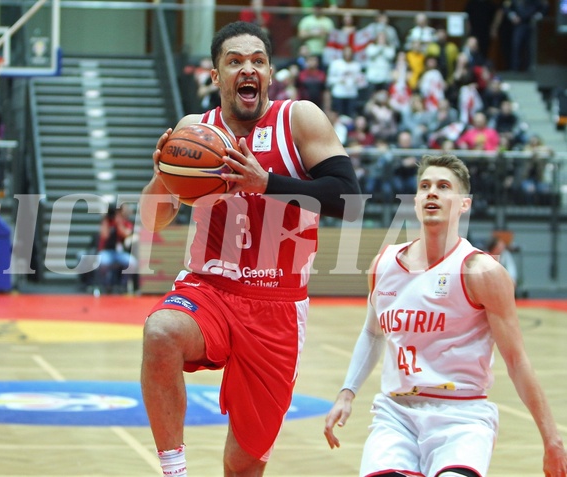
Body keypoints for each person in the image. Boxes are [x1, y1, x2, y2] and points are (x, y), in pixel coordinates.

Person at [139, 21, 362, 477]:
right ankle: (174, 470)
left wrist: (269, 184)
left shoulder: (299, 118)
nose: (248, 69)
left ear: (270, 73)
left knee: (243, 466)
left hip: (276, 305)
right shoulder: (193, 131)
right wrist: (163, 174)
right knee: (161, 331)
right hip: (209, 287)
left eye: (258, 60)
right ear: (217, 76)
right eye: (235, 61)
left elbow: (349, 198)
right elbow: (153, 218)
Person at [323, 154, 567, 477]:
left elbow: (517, 361)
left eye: (443, 186)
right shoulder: (384, 264)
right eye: (424, 186)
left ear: (464, 204)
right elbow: (372, 332)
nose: (432, 193)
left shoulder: (481, 272)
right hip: (397, 414)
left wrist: (552, 441)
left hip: (461, 416)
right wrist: (347, 391)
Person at [81, 203, 138, 294]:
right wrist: (106, 220)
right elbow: (104, 235)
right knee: (103, 262)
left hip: (119, 253)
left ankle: (122, 286)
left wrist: (118, 222)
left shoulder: (124, 222)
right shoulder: (105, 221)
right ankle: (106, 285)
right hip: (106, 251)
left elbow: (126, 234)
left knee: (132, 262)